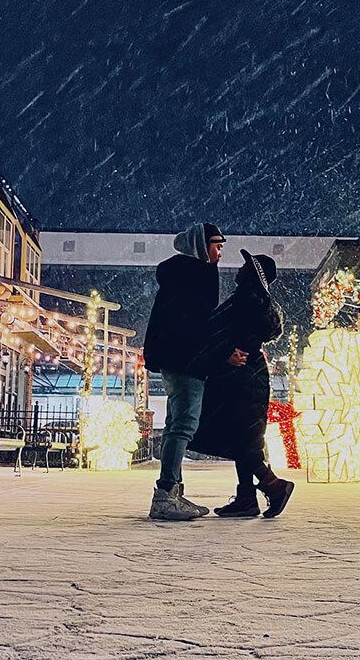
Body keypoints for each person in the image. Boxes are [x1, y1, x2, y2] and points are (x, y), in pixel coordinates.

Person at [188, 250, 295, 519]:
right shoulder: (253, 299)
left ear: (253, 273)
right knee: (244, 436)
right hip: (247, 374)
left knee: (242, 436)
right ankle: (247, 497)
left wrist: (225, 351)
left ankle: (273, 485)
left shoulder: (249, 299)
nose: (239, 269)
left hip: (241, 375)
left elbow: (226, 332)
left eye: (245, 266)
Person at [143, 222, 226, 521]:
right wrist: (217, 353)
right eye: (216, 246)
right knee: (183, 425)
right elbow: (198, 325)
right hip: (187, 360)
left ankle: (173, 491)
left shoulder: (179, 276)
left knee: (176, 423)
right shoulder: (196, 276)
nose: (220, 253)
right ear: (201, 247)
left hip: (174, 359)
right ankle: (166, 494)